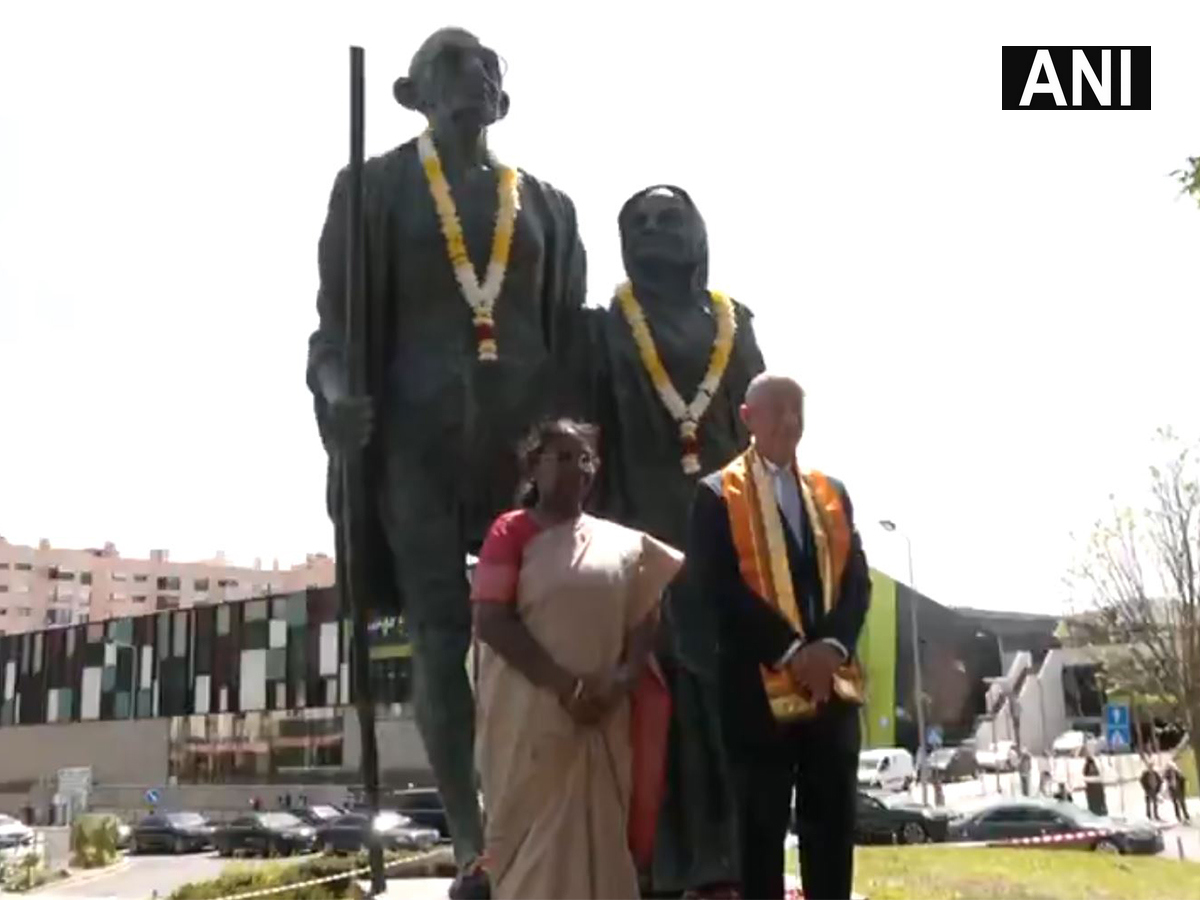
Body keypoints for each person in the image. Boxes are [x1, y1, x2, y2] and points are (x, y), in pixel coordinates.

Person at [306, 27, 586, 899]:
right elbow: (332, 330)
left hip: (525, 445)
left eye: (487, 71)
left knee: (545, 620)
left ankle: (543, 815)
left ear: (504, 100)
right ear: (413, 93)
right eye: (449, 67)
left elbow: (573, 339)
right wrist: (336, 393)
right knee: (437, 629)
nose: (471, 81)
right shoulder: (374, 188)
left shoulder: (546, 204)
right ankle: (475, 844)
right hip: (414, 438)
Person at [575, 185, 765, 897]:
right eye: (638, 222)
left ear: (698, 233)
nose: (654, 229)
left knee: (728, 698)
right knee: (658, 703)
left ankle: (733, 857)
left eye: (669, 218)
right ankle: (658, 864)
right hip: (638, 541)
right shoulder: (601, 330)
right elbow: (581, 434)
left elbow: (764, 436)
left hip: (727, 540)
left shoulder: (734, 324)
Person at [471, 419, 684, 899]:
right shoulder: (511, 532)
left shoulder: (624, 544)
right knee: (530, 862)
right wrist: (566, 688)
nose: (577, 469)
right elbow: (492, 620)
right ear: (533, 467)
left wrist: (623, 680)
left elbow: (644, 620)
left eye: (585, 458)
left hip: (605, 719)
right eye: (563, 457)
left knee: (604, 852)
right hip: (533, 724)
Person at [687, 374, 871, 900]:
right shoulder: (717, 493)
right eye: (776, 409)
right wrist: (791, 652)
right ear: (748, 417)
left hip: (829, 692)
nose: (789, 420)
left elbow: (856, 583)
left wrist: (830, 649)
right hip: (755, 694)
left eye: (797, 408)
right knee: (760, 833)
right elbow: (717, 589)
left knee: (831, 829)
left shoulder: (830, 493)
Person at [1082, 748, 1108, 816]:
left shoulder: (1090, 768)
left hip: (1094, 790)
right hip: (1094, 790)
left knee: (1096, 804)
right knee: (1095, 804)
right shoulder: (1090, 768)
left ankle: (1098, 812)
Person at [1164, 759, 1191, 824]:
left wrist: (1179, 772)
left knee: (1182, 803)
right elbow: (1165, 778)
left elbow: (1183, 780)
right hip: (1173, 790)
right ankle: (1178, 816)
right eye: (1170, 767)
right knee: (1175, 803)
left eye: (1172, 767)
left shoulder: (1178, 773)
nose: (1172, 768)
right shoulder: (1167, 773)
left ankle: (1186, 815)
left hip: (1179, 790)